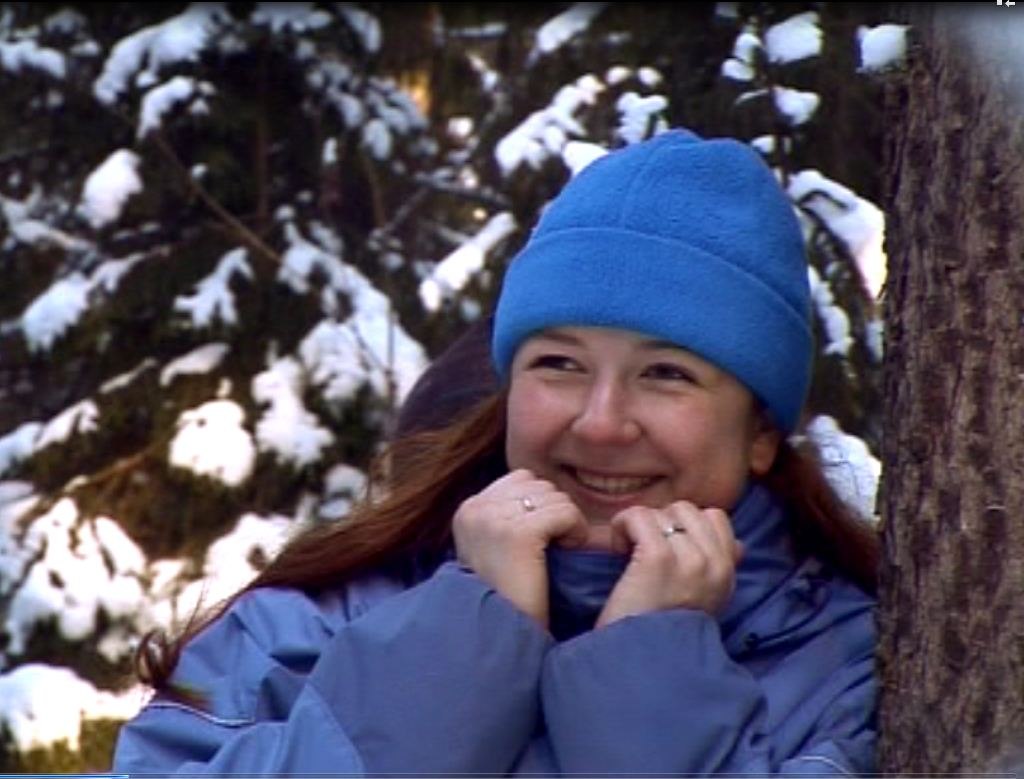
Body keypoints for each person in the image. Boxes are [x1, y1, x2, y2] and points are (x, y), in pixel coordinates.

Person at [113, 129, 879, 776]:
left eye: (666, 374)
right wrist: (460, 650)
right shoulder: (296, 630)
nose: (601, 423)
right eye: (559, 363)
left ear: (760, 434)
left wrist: (649, 677)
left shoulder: (860, 670)